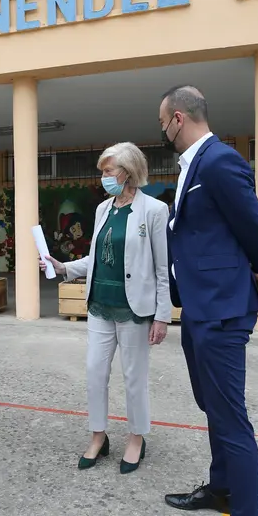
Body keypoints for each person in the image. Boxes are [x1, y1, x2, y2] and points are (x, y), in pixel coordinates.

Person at [158, 85, 258, 516]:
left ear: (179, 118)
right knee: (211, 404)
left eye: (162, 122)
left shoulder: (219, 161)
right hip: (200, 305)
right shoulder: (193, 166)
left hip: (222, 309)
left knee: (231, 419)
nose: (161, 131)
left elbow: (256, 227)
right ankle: (222, 487)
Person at [39, 142, 171, 474]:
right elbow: (96, 257)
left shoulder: (154, 210)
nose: (103, 178)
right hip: (99, 304)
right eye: (102, 172)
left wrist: (162, 315)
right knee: (95, 373)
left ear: (127, 172)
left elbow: (161, 267)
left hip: (134, 309)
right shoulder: (103, 209)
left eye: (108, 171)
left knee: (134, 377)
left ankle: (136, 438)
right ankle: (98, 435)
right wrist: (64, 266)